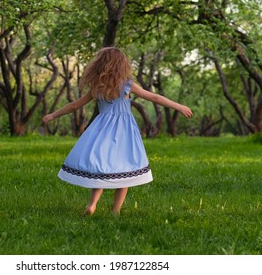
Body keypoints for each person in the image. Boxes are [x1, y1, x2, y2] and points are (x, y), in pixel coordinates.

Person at [42, 47, 193, 216]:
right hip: (124, 131)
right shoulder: (127, 85)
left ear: (99, 65)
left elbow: (74, 105)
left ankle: (92, 204)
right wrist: (179, 106)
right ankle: (116, 211)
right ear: (122, 65)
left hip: (101, 129)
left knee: (102, 167)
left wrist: (53, 115)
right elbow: (154, 97)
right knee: (124, 168)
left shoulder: (96, 87)